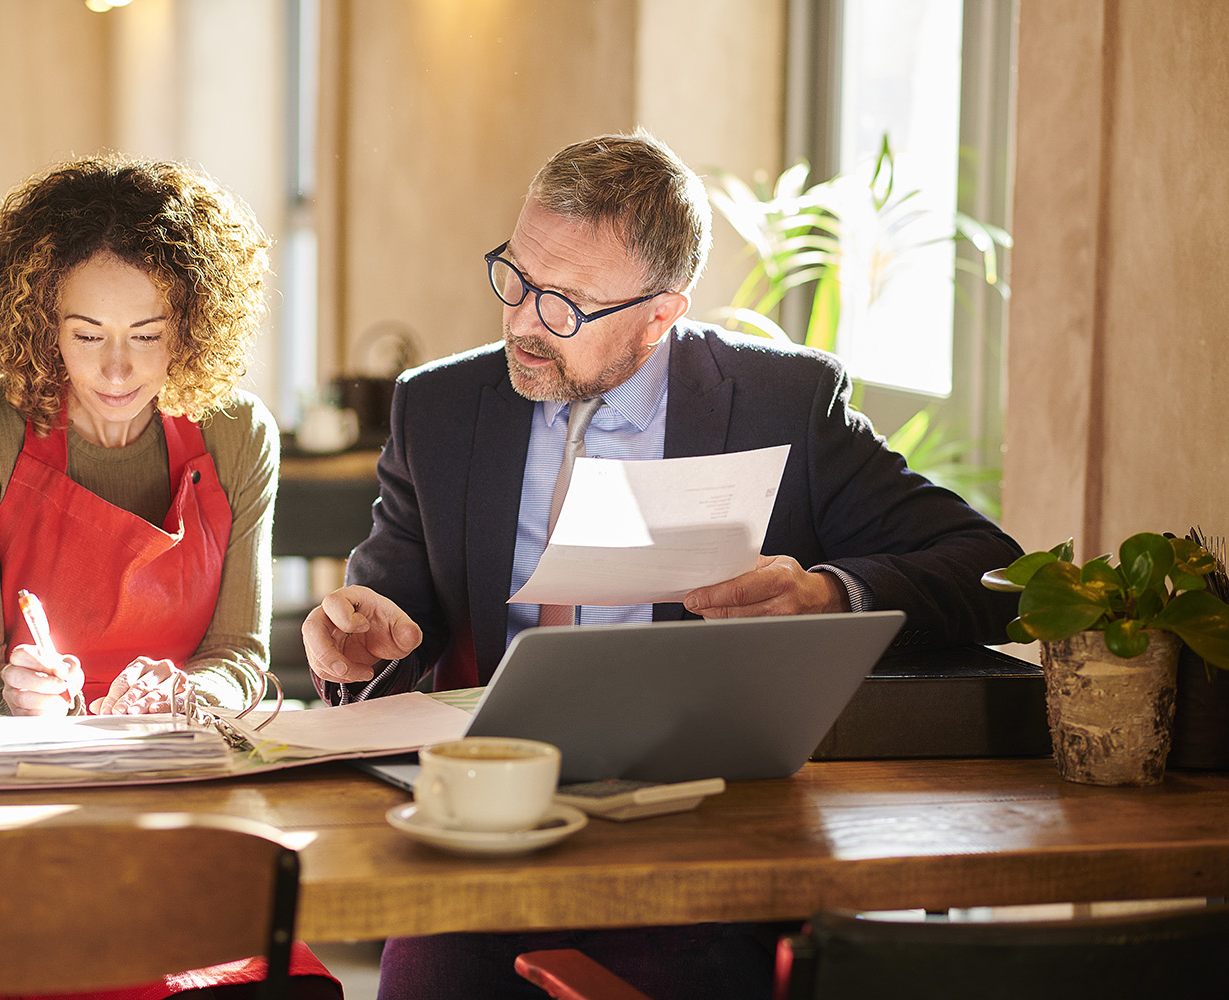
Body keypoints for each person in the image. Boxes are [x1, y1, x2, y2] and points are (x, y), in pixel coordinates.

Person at [302, 130, 1024, 999]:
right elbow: (389, 600)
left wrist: (826, 593)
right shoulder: (440, 405)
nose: (527, 323)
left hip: (700, 831)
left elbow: (990, 566)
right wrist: (360, 634)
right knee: (427, 977)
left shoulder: (781, 403)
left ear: (661, 313)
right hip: (490, 832)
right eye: (517, 279)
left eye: (568, 303)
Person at [0, 154, 340, 999]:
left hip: (172, 790)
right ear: (40, 324)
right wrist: (18, 696)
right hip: (2, 796)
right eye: (85, 335)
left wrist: (193, 696)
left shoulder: (237, 433)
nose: (116, 372)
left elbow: (241, 656)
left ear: (191, 326)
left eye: (148, 336)